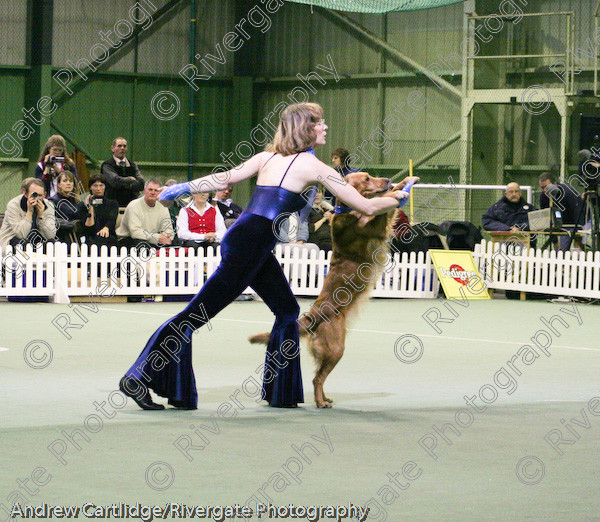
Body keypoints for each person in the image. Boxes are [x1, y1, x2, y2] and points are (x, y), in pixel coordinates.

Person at [118, 102, 410, 411]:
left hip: (249, 240)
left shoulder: (267, 157)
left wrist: (181, 189)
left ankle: (281, 393)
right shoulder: (315, 168)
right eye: (320, 123)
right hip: (249, 246)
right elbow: (364, 206)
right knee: (195, 315)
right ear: (305, 129)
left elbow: (223, 179)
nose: (325, 127)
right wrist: (397, 197)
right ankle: (138, 377)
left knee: (286, 310)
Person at [116, 179, 174, 248]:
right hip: (130, 240)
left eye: (156, 190)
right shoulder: (133, 205)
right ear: (144, 191)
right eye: (150, 189)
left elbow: (169, 229)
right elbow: (135, 233)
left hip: (152, 240)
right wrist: (158, 238)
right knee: (142, 245)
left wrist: (166, 237)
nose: (153, 192)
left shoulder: (163, 207)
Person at [0, 178, 57, 248]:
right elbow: (21, 234)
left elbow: (50, 235)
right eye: (34, 195)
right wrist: (29, 212)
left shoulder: (48, 206)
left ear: (45, 194)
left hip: (37, 238)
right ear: (26, 194)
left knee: (53, 244)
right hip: (13, 240)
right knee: (23, 244)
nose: (37, 199)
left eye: (40, 195)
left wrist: (41, 216)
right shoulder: (14, 205)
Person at [100, 137, 145, 206]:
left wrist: (124, 184)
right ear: (112, 148)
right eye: (119, 146)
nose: (122, 148)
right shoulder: (107, 165)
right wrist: (131, 180)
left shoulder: (132, 165)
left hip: (131, 205)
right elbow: (114, 181)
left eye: (124, 146)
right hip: (112, 206)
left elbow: (141, 184)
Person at [49, 172, 88, 244]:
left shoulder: (79, 203)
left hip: (76, 239)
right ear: (59, 184)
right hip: (59, 239)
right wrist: (69, 224)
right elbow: (50, 220)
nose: (68, 183)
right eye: (65, 181)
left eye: (71, 181)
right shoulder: (52, 201)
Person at [82, 174, 119, 247]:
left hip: (108, 235)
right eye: (95, 186)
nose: (98, 188)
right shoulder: (83, 205)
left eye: (101, 185)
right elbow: (89, 228)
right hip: (91, 237)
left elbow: (112, 220)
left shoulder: (112, 203)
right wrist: (90, 206)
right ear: (90, 187)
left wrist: (106, 228)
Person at [307, 187, 334, 251]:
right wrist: (323, 219)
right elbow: (310, 229)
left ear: (322, 194)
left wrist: (330, 219)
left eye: (319, 192)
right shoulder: (308, 211)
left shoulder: (328, 210)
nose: (316, 195)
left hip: (330, 239)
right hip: (318, 242)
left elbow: (334, 227)